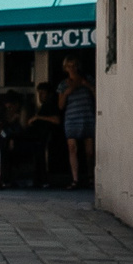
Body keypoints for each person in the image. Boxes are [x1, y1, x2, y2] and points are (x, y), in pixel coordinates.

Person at [59, 55, 96, 189]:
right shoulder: (63, 85)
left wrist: (87, 85)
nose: (72, 68)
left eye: (74, 65)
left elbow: (97, 94)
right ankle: (75, 179)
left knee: (89, 151)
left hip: (87, 116)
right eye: (69, 66)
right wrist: (66, 93)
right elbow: (60, 106)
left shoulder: (87, 79)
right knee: (72, 148)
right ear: (65, 68)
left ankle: (91, 176)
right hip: (71, 118)